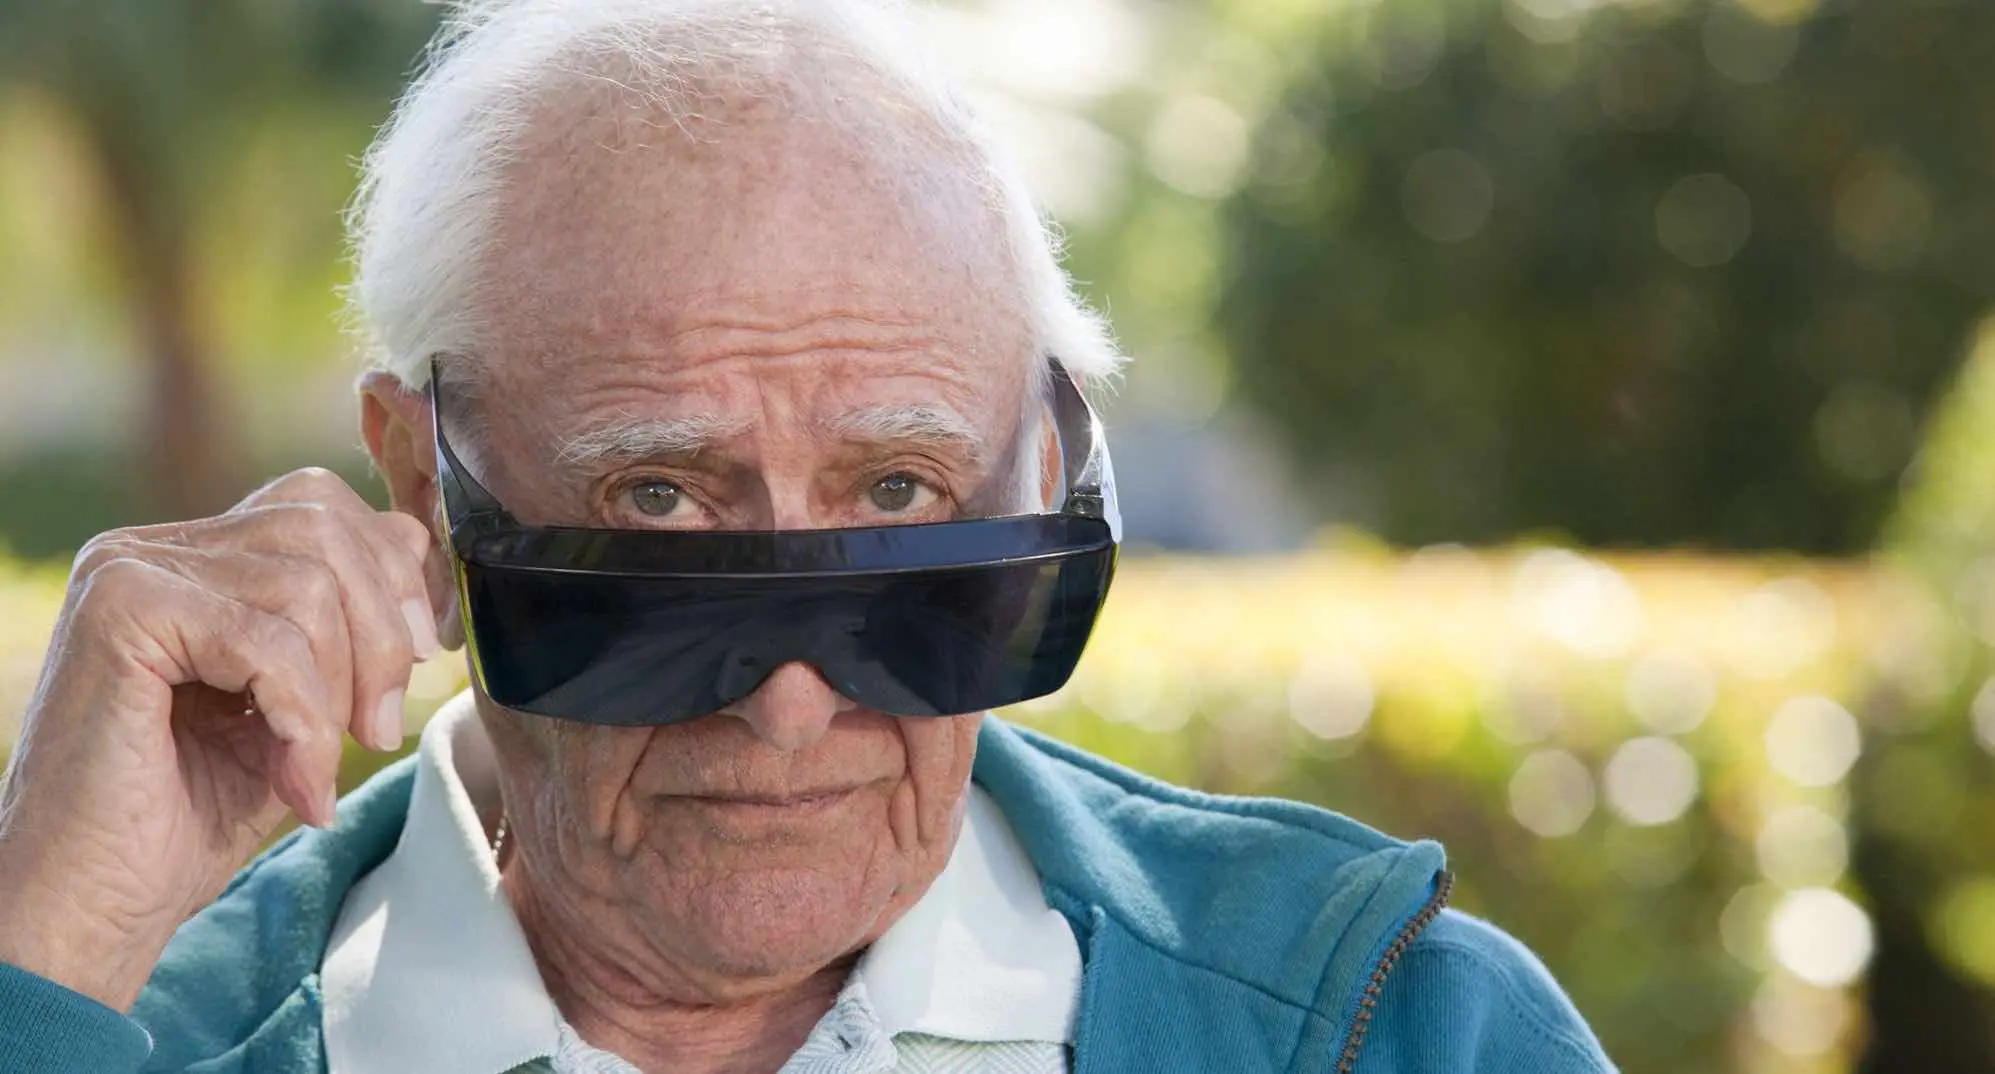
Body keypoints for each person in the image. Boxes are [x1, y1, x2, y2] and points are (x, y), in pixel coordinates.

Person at [0, 1, 1615, 1071]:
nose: (790, 701)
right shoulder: (125, 1028)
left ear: (1039, 470)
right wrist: (40, 959)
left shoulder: (1401, 1032)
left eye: (902, 500)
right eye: (658, 508)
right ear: (423, 488)